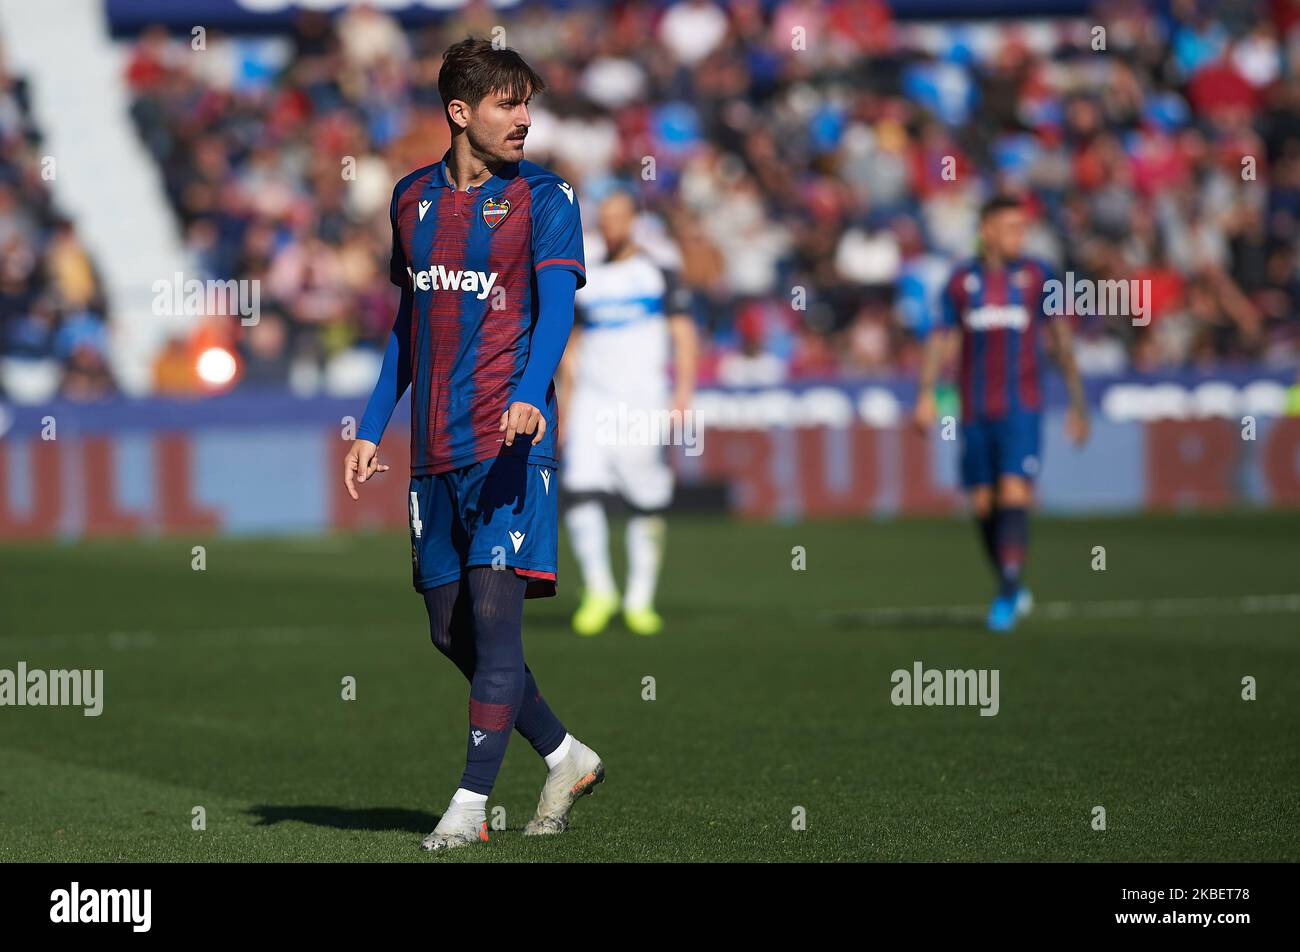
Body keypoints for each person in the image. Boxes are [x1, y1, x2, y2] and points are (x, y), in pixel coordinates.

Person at [342, 37, 603, 852]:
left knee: (495, 628)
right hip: (432, 450)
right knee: (447, 631)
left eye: (527, 103)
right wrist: (369, 425)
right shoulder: (411, 199)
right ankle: (565, 754)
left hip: (510, 445)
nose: (523, 119)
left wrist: (530, 398)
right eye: (505, 104)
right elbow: (406, 329)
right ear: (460, 113)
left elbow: (556, 312)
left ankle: (467, 804)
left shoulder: (547, 198)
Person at [913, 194, 1090, 632]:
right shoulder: (960, 281)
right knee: (982, 501)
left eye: (1023, 227)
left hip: (1022, 405)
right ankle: (1009, 580)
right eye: (1010, 227)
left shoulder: (1037, 275)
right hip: (974, 409)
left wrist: (1078, 403)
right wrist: (926, 393)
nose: (1019, 235)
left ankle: (1008, 592)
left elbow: (1060, 339)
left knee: (1015, 492)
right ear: (987, 231)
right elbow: (940, 338)